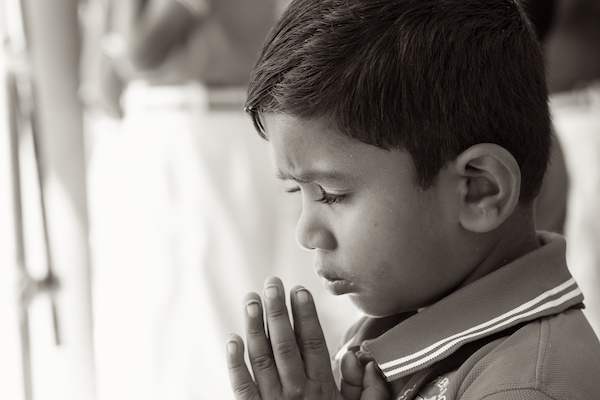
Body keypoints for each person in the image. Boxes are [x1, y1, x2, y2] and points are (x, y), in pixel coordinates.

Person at [224, 0, 600, 399]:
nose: (306, 233)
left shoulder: (524, 387)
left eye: (332, 195)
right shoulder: (399, 325)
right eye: (294, 190)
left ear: (479, 190)